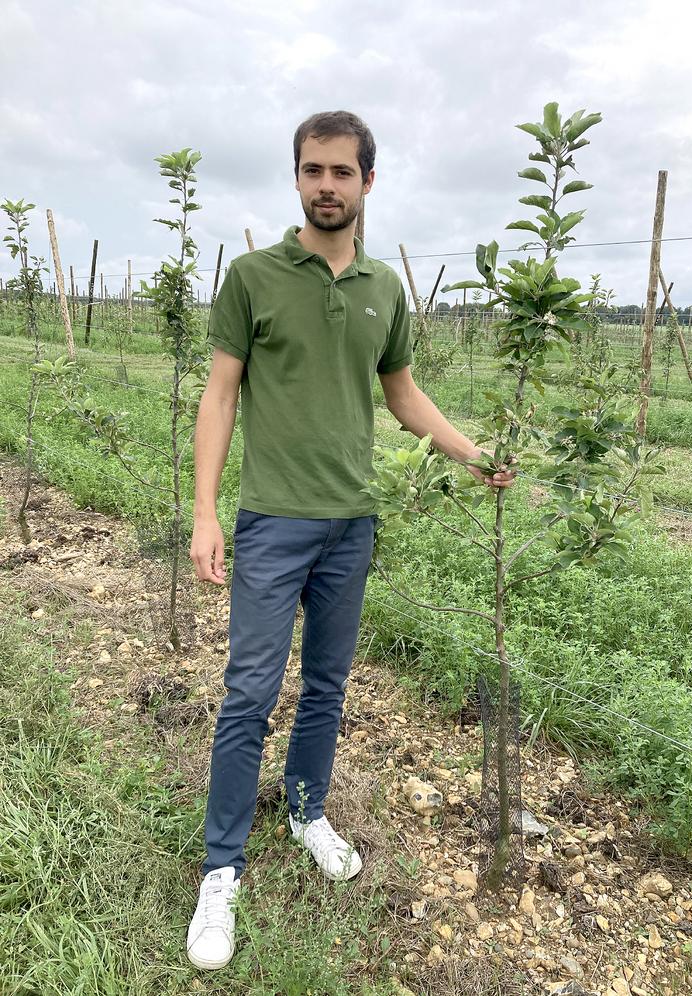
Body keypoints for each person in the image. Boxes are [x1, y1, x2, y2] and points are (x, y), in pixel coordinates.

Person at [186, 109, 517, 970]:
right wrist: (205, 511)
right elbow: (219, 395)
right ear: (296, 176)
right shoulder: (253, 277)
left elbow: (402, 394)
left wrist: (472, 454)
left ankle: (306, 812)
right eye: (312, 169)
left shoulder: (383, 287)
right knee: (249, 693)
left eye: (341, 171)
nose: (325, 185)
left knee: (327, 687)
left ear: (368, 180)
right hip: (272, 522)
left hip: (351, 524)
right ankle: (220, 869)